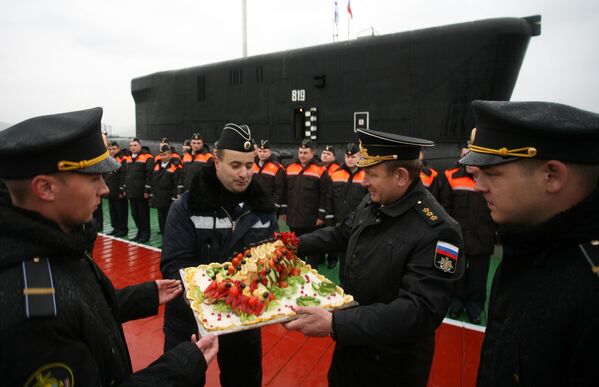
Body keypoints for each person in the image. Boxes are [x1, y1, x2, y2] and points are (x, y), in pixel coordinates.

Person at [0, 108, 218, 386]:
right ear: (45, 189)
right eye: (93, 178)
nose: (104, 189)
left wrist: (143, 296)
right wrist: (180, 367)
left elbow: (79, 306)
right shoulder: (33, 317)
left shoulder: (55, 242)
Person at [284, 128, 464, 386]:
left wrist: (336, 323)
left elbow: (419, 311)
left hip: (391, 366)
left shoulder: (439, 231)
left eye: (371, 174)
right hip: (352, 347)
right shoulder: (374, 203)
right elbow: (339, 234)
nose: (363, 181)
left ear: (401, 176)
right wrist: (290, 246)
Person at [459, 100, 599, 386]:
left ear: (552, 176)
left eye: (493, 174)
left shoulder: (588, 286)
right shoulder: (527, 246)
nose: (478, 186)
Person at [161, 123, 278, 387]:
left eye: (249, 165)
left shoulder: (263, 208)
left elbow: (272, 259)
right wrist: (219, 295)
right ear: (216, 162)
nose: (244, 174)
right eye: (235, 165)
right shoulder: (186, 207)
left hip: (242, 322)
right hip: (189, 322)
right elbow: (174, 266)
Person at [439, 147, 496, 324]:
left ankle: (475, 308)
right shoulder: (452, 177)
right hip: (459, 238)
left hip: (482, 237)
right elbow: (445, 207)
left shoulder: (493, 180)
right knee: (457, 274)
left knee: (478, 278)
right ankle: (456, 305)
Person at [282, 139, 331, 266]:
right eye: (300, 152)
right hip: (294, 217)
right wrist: (284, 211)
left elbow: (325, 194)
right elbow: (285, 192)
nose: (302, 155)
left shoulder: (320, 170)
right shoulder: (290, 168)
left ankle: (312, 273)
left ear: (312, 153)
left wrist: (321, 216)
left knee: (312, 248)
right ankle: (297, 271)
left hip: (311, 218)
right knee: (295, 247)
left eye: (305, 152)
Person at [326, 143, 368, 273]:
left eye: (353, 156)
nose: (350, 159)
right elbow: (329, 198)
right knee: (343, 257)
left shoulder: (366, 176)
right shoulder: (335, 174)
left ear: (360, 157)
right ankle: (343, 283)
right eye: (347, 156)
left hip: (359, 225)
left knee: (358, 258)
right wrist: (329, 219)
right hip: (340, 223)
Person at [122, 138, 154, 243]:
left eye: (135, 145)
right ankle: (140, 232)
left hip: (141, 192)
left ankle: (145, 234)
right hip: (132, 192)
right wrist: (125, 188)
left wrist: (147, 190)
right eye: (131, 145)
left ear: (140, 146)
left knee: (143, 214)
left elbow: (149, 175)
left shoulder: (147, 158)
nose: (133, 147)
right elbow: (126, 175)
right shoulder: (129, 158)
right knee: (135, 214)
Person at [150, 145, 182, 236]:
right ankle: (164, 236)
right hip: (159, 198)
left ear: (170, 155)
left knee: (169, 220)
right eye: (161, 155)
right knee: (161, 219)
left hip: (168, 199)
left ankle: (169, 238)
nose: (163, 157)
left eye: (165, 155)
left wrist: (174, 198)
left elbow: (176, 183)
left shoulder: (175, 167)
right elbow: (153, 181)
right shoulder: (157, 165)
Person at [252, 139, 286, 214]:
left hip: (269, 207)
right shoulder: (252, 165)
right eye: (260, 151)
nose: (262, 154)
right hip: (253, 206)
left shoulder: (277, 168)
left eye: (265, 151)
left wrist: (275, 207)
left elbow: (279, 191)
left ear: (270, 152)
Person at [105, 141, 129, 237]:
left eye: (114, 149)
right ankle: (116, 227)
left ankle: (123, 229)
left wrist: (121, 189)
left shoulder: (122, 159)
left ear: (118, 149)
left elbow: (123, 175)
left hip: (118, 190)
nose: (111, 151)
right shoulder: (110, 159)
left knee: (121, 210)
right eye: (110, 149)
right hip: (111, 190)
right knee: (113, 210)